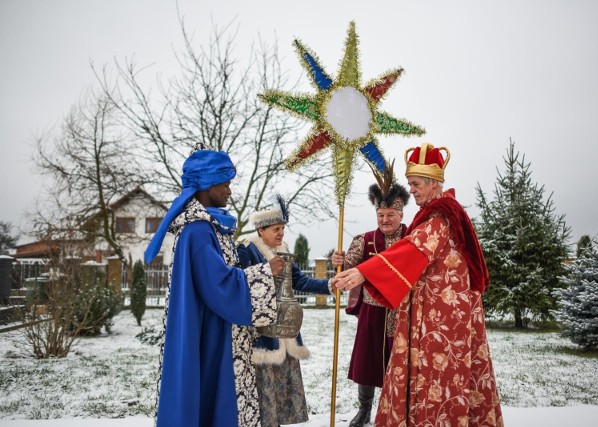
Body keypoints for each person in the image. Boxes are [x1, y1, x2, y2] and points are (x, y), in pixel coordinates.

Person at [334, 143, 503, 426]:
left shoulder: (439, 217)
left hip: (440, 317)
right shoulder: (443, 213)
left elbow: (414, 249)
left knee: (439, 377)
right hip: (439, 310)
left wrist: (366, 272)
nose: (411, 189)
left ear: (433, 183)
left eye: (415, 183)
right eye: (410, 184)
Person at [144, 148, 284, 427]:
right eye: (226, 184)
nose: (229, 192)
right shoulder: (198, 231)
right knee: (213, 400)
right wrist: (265, 272)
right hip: (211, 335)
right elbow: (219, 285)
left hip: (212, 329)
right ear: (207, 185)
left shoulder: (208, 227)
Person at [236, 195, 334, 427]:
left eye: (283, 229)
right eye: (276, 229)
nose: (281, 234)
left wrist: (330, 285)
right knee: (263, 386)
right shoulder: (246, 249)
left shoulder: (284, 249)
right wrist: (264, 270)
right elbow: (240, 283)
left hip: (285, 330)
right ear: (261, 229)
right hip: (260, 332)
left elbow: (299, 281)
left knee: (281, 387)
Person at [331, 178, 410, 427]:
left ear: (400, 213)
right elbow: (348, 267)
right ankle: (365, 409)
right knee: (367, 362)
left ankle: (403, 409)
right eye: (380, 215)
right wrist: (339, 262)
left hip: (404, 313)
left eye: (390, 214)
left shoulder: (412, 238)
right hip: (372, 313)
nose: (385, 220)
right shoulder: (364, 240)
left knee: (403, 364)